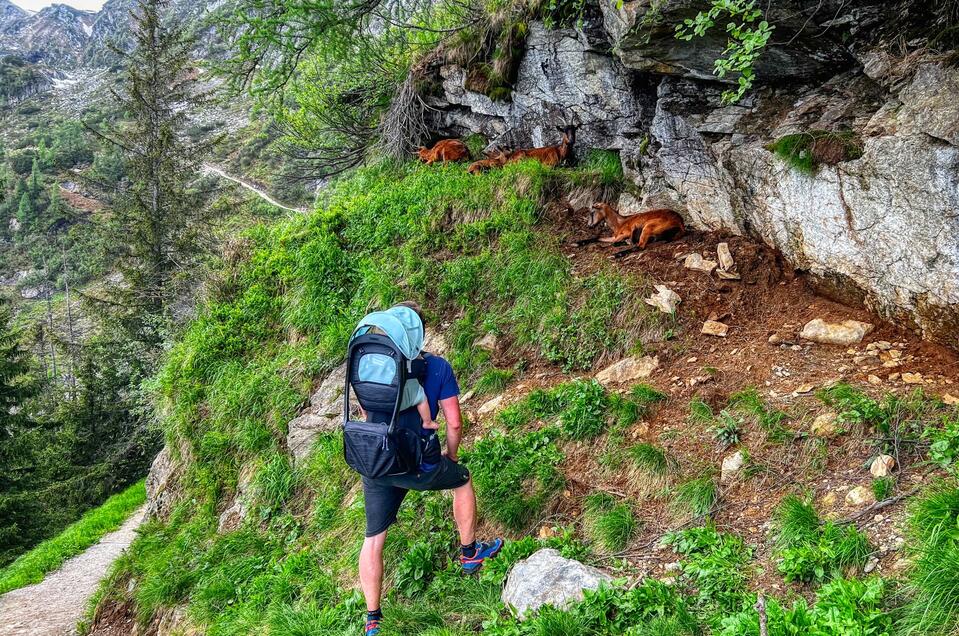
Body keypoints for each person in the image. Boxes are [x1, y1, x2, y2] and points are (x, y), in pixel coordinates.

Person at [359, 301, 503, 636]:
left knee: (374, 538)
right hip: (420, 463)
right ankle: (469, 554)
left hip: (378, 463)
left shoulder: (372, 367)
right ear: (420, 332)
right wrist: (450, 458)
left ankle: (373, 619)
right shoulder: (437, 367)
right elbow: (454, 422)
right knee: (462, 480)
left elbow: (369, 416)